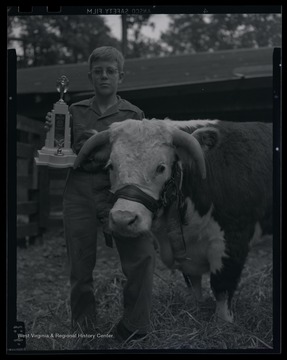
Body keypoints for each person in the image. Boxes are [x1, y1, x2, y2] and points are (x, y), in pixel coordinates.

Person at [44, 46, 155, 341]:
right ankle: (83, 331)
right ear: (90, 75)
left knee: (142, 256)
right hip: (78, 190)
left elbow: (140, 158)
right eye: (98, 71)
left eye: (110, 71)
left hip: (117, 190)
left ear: (121, 76)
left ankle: (135, 326)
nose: (104, 76)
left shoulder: (134, 114)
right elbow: (62, 153)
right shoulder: (74, 111)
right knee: (80, 268)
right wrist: (52, 134)